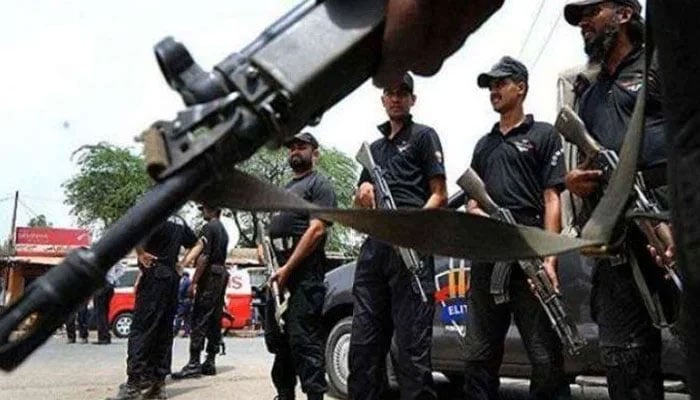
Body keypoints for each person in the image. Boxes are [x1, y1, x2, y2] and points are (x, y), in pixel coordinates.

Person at [562, 1, 670, 398]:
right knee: (624, 358)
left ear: (624, 14)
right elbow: (584, 163)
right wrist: (574, 180)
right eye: (579, 18)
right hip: (616, 241)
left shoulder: (659, 66)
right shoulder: (588, 94)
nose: (584, 23)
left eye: (593, 12)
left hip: (668, 223)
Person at [463, 56, 569, 400]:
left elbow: (552, 199)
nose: (493, 90)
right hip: (489, 253)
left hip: (528, 249)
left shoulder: (543, 135)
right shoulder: (484, 145)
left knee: (544, 356)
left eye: (500, 83)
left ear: (520, 87)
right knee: (478, 355)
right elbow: (472, 202)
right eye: (490, 86)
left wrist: (549, 257)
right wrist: (484, 218)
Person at [350, 73, 447, 400]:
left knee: (411, 353)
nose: (395, 98)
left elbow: (439, 195)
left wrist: (411, 227)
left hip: (411, 247)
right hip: (375, 250)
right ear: (383, 100)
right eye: (390, 93)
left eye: (402, 93)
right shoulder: (374, 150)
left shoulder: (424, 136)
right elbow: (359, 203)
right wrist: (361, 191)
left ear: (412, 100)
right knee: (363, 348)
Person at [264, 132, 337, 400]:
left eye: (302, 146)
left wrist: (289, 269)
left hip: (304, 274)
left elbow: (316, 230)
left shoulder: (319, 185)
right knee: (279, 342)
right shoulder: (285, 189)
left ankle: (314, 396)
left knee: (303, 341)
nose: (295, 150)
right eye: (292, 147)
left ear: (315, 153)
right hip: (279, 273)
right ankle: (284, 395)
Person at [106, 215, 199, 400]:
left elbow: (131, 232)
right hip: (171, 278)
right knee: (163, 331)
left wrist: (140, 252)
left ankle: (135, 385)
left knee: (141, 330)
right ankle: (158, 384)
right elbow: (198, 244)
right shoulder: (179, 220)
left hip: (154, 276)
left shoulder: (158, 211)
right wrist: (182, 264)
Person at [172, 204, 230, 379]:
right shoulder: (223, 230)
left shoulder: (208, 227)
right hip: (221, 274)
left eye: (205, 208)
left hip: (210, 275)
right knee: (214, 318)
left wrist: (193, 282)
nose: (203, 212)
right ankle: (210, 360)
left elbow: (204, 256)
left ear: (213, 209)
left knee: (199, 317)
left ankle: (194, 363)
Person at [93, 263, 122, 345]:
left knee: (100, 312)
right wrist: (113, 279)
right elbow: (122, 269)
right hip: (109, 286)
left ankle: (103, 337)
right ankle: (106, 336)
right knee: (105, 311)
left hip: (101, 286)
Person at [173, 271, 192, 337]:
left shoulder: (184, 281)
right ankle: (187, 331)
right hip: (189, 300)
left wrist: (178, 298)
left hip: (183, 301)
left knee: (180, 316)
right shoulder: (190, 281)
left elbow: (181, 290)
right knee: (187, 317)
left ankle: (175, 331)